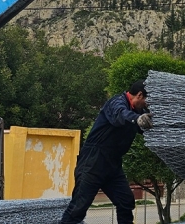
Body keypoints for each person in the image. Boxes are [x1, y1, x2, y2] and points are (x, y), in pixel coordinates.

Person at [60, 80, 153, 224]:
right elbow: (121, 115)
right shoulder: (116, 103)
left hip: (113, 164)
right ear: (140, 95)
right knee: (78, 207)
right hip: (93, 162)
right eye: (147, 100)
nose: (148, 105)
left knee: (125, 202)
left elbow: (146, 127)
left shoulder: (139, 111)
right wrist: (137, 119)